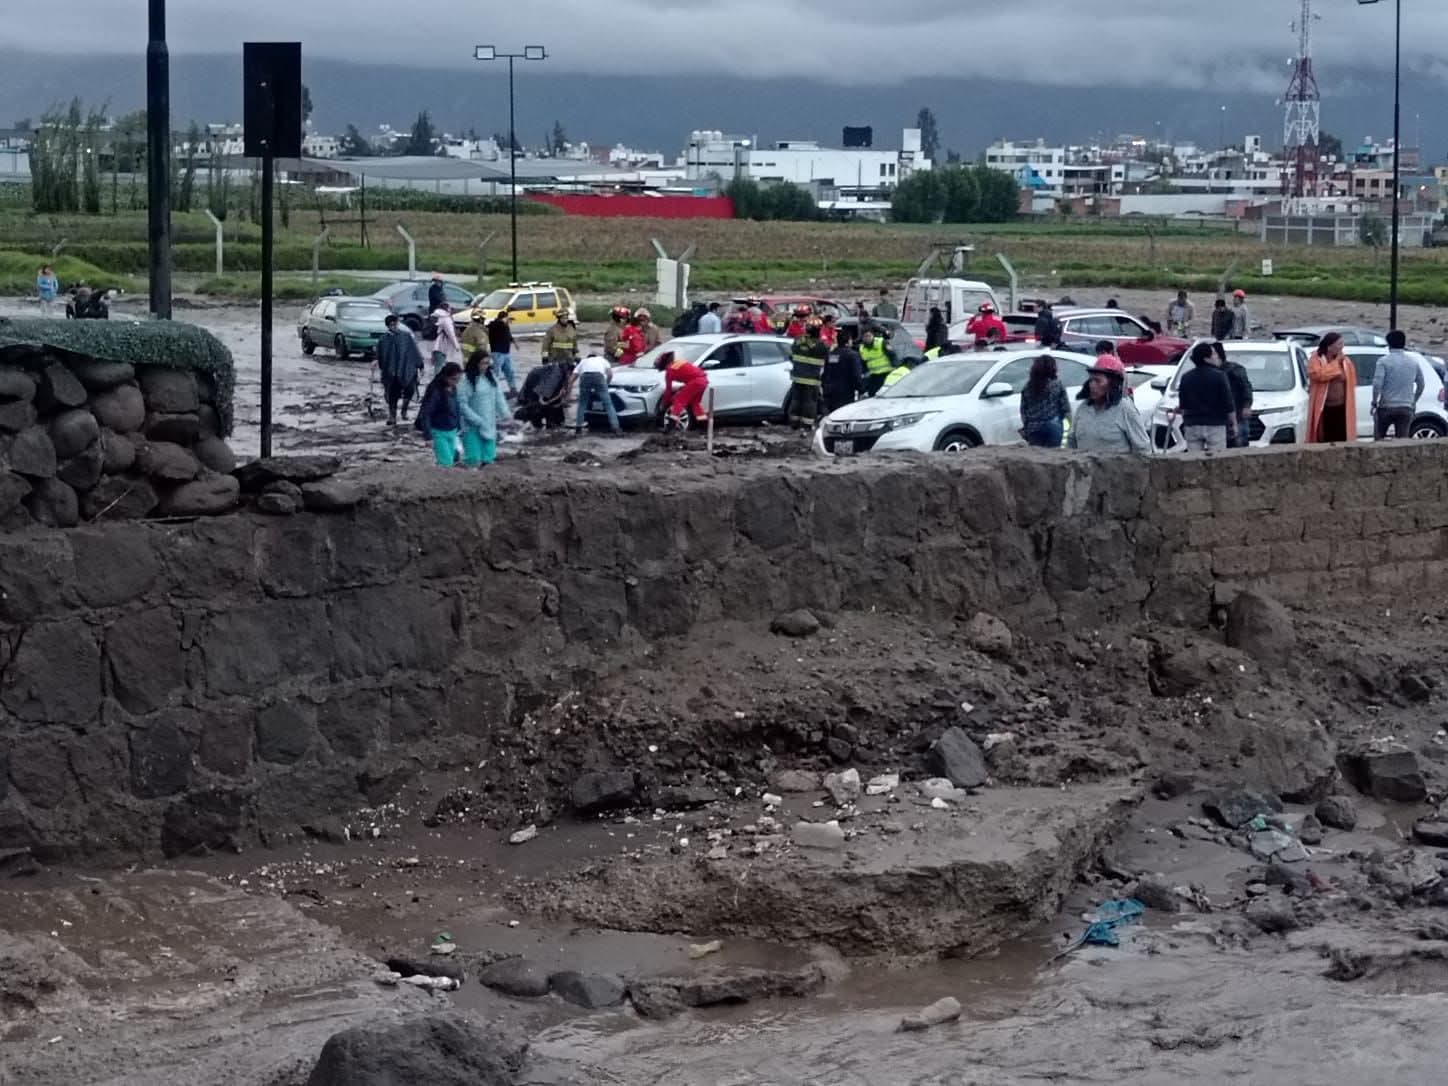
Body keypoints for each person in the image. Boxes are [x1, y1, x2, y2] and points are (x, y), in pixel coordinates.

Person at [1069, 355, 1150, 453]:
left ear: (1113, 384)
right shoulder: (1083, 408)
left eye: (1098, 381)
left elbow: (1143, 448)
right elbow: (1071, 443)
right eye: (1091, 380)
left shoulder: (1125, 410)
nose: (1092, 385)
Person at [1177, 341, 1236, 451]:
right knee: (1217, 459)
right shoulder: (1219, 376)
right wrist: (1233, 423)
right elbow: (1228, 402)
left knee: (1194, 459)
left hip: (1192, 424)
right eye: (1213, 354)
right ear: (1206, 358)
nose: (1217, 356)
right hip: (1215, 424)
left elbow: (1183, 404)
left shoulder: (1186, 377)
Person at [458, 350, 511, 466]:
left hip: (489, 423)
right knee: (473, 458)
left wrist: (506, 414)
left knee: (489, 458)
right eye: (483, 363)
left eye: (487, 363)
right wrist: (476, 420)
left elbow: (499, 397)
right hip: (471, 426)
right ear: (475, 363)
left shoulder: (491, 378)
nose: (485, 366)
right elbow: (462, 404)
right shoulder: (466, 380)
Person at [1371, 329, 1425, 440]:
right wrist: (1414, 401)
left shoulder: (1383, 361)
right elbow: (1421, 384)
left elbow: (1377, 384)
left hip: (1386, 406)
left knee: (1379, 439)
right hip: (1406, 407)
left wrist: (1374, 402)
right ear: (1404, 343)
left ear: (1389, 344)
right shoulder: (1413, 362)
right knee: (1403, 440)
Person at [1307, 331, 1358, 443]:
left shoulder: (1345, 361)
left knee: (1342, 436)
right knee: (1325, 437)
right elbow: (1318, 375)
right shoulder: (1316, 359)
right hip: (1324, 407)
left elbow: (1351, 380)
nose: (1342, 347)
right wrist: (1335, 364)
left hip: (1342, 406)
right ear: (1329, 346)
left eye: (1342, 343)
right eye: (1339, 344)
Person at [376, 314, 426, 425]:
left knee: (409, 390)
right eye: (391, 324)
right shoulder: (383, 339)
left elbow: (414, 351)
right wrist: (383, 368)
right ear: (387, 325)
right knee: (392, 393)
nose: (394, 326)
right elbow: (381, 356)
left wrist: (420, 365)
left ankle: (404, 411)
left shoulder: (406, 336)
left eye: (395, 323)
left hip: (407, 369)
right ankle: (392, 416)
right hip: (391, 372)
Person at [1019, 354, 1072, 448]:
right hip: (1054, 425)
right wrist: (1067, 428)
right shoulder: (1057, 384)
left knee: (1037, 457)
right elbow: (1066, 408)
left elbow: (1023, 410)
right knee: (1054, 456)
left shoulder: (1028, 387)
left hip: (1033, 427)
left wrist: (1027, 427)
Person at [787, 317, 830, 428]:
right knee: (809, 403)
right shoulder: (821, 346)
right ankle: (807, 425)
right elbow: (827, 358)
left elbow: (791, 356)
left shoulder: (797, 340)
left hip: (797, 377)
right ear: (818, 330)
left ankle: (794, 423)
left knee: (796, 400)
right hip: (811, 380)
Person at [417, 361, 463, 466]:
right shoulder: (435, 392)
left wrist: (459, 427)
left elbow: (456, 409)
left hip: (452, 430)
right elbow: (426, 414)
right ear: (445, 377)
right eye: (454, 379)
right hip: (438, 432)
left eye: (458, 379)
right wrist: (428, 436)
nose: (456, 382)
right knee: (446, 462)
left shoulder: (453, 389)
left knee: (450, 460)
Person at [573, 344, 621, 435]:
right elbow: (610, 374)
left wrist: (568, 387)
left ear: (588, 357)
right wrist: (606, 385)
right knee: (608, 404)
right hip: (599, 377)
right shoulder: (602, 360)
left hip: (585, 377)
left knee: (582, 403)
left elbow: (573, 376)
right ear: (597, 356)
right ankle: (616, 428)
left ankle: (578, 429)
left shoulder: (583, 361)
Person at [1215, 341, 1255, 448]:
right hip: (1217, 419)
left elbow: (1246, 387)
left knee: (1239, 445)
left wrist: (1246, 406)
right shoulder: (1209, 372)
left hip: (1237, 415)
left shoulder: (1234, 370)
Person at [516, 358, 574, 430]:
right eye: (570, 373)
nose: (570, 375)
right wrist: (544, 399)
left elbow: (560, 389)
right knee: (537, 405)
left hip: (537, 379)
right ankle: (538, 425)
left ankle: (551, 423)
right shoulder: (557, 373)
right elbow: (547, 389)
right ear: (569, 371)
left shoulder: (562, 370)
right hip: (535, 381)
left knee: (550, 404)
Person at [657, 350, 709, 428]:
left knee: (678, 399)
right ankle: (704, 424)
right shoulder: (679, 363)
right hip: (703, 381)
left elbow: (668, 390)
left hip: (695, 382)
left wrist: (665, 404)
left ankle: (671, 425)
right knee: (695, 403)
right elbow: (688, 374)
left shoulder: (670, 371)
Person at [823, 326, 865, 413]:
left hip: (830, 391)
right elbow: (856, 375)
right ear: (848, 341)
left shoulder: (831, 354)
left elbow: (825, 373)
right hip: (845, 393)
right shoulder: (852, 355)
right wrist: (861, 389)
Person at [486, 311, 518, 395]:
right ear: (504, 317)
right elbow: (495, 325)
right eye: (508, 319)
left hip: (506, 352)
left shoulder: (505, 326)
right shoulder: (496, 325)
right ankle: (493, 390)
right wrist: (504, 321)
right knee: (496, 373)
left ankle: (513, 389)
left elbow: (508, 335)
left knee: (509, 371)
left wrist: (514, 342)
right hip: (497, 353)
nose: (510, 321)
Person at [859, 323, 896, 396]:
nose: (868, 338)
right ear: (862, 338)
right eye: (865, 336)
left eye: (869, 336)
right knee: (872, 394)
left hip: (886, 374)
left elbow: (892, 355)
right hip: (873, 376)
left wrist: (895, 369)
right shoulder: (862, 348)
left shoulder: (881, 342)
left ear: (873, 335)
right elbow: (863, 363)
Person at [425, 302, 460, 374]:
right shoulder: (446, 318)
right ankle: (438, 382)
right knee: (439, 366)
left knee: (437, 365)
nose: (451, 310)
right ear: (447, 309)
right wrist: (456, 345)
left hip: (434, 344)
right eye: (450, 308)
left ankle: (437, 380)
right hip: (441, 346)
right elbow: (450, 333)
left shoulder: (436, 316)